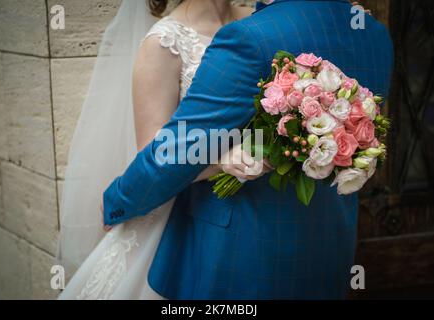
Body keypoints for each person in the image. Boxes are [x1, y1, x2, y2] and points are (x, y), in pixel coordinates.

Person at [102, 0, 393, 300]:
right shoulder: (374, 34)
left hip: (241, 259)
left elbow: (170, 155)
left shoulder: (251, 36)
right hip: (331, 248)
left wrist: (118, 201)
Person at [58, 0, 267, 300]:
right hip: (180, 219)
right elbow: (154, 153)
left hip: (249, 212)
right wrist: (219, 159)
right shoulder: (164, 41)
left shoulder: (257, 22)